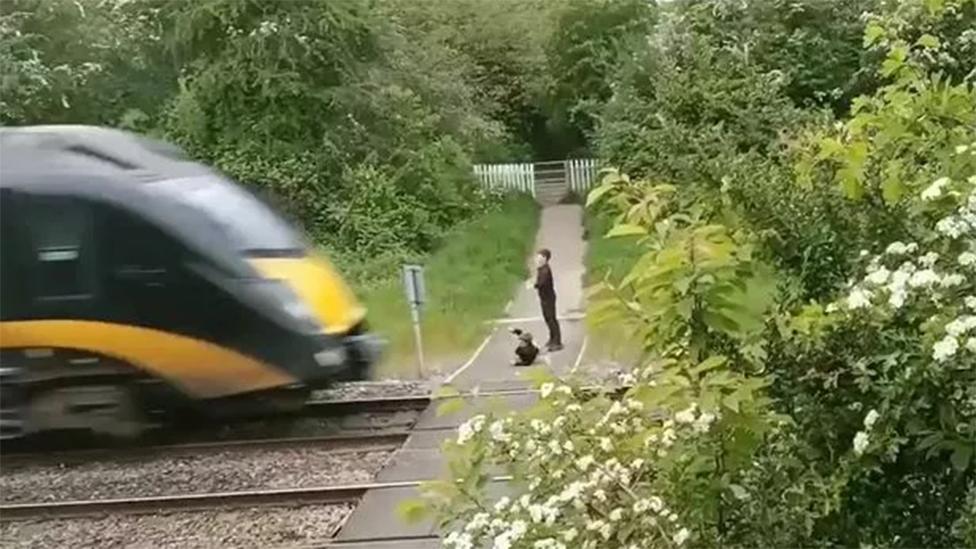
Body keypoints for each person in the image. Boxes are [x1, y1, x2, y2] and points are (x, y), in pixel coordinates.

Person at [530, 248, 562, 351]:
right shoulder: (541, 268)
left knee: (551, 318)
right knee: (548, 318)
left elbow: (542, 283)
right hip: (544, 297)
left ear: (544, 258)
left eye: (539, 257)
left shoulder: (545, 270)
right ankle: (552, 338)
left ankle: (557, 341)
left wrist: (534, 285)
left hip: (548, 298)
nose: (537, 259)